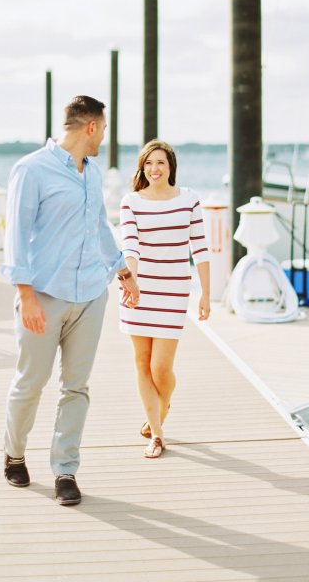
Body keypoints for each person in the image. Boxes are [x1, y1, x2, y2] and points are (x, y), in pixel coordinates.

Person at [1, 95, 139, 505]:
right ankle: (14, 454)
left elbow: (100, 227)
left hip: (91, 295)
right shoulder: (31, 170)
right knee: (31, 383)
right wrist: (25, 294)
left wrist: (122, 271)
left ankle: (65, 470)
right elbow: (14, 234)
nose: (103, 138)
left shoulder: (92, 173)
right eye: (104, 129)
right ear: (91, 127)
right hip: (43, 296)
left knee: (76, 387)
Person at [119, 139, 211, 458]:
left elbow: (200, 248)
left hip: (173, 291)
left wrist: (206, 294)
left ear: (171, 166)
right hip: (139, 290)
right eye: (148, 163)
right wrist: (131, 282)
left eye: (160, 162)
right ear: (141, 168)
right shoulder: (131, 202)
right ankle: (157, 434)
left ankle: (162, 406)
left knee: (160, 368)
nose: (154, 169)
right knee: (141, 363)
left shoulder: (189, 200)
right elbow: (130, 246)